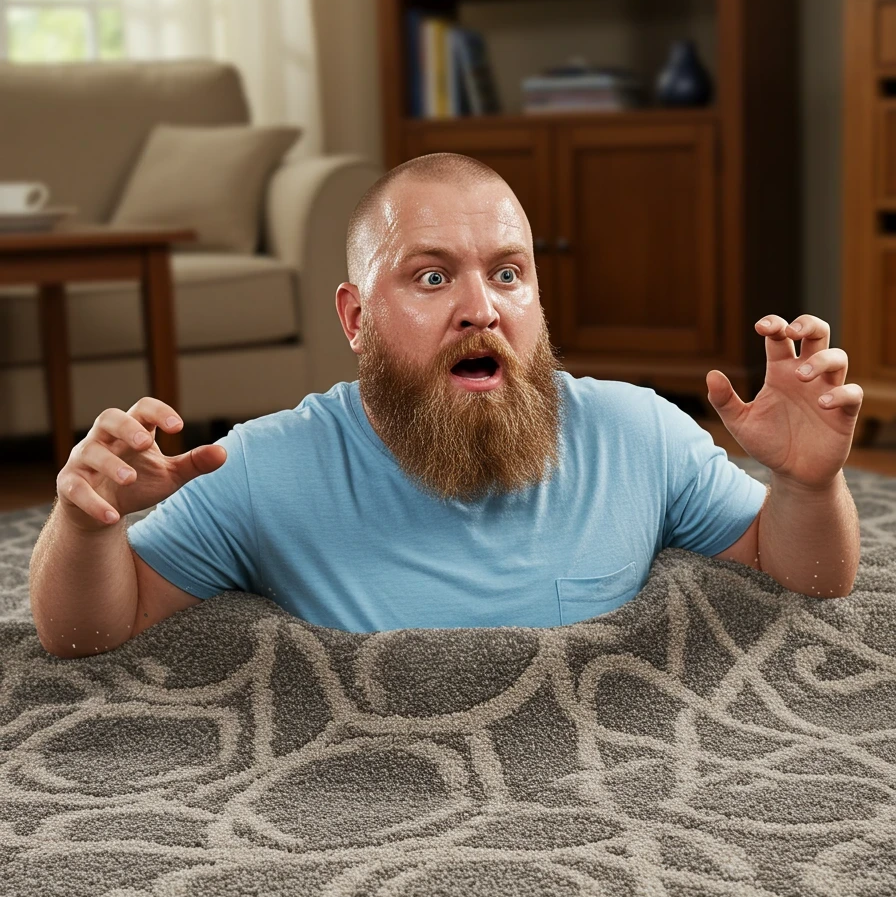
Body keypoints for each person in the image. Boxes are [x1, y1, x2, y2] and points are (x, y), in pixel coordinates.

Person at [29, 153, 863, 657]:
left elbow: (805, 575)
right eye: (432, 277)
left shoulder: (636, 431)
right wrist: (88, 525)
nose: (482, 309)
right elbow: (87, 632)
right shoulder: (264, 466)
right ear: (356, 318)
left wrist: (807, 487)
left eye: (507, 273)